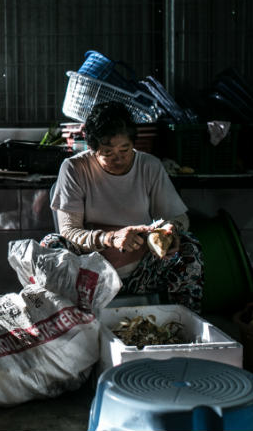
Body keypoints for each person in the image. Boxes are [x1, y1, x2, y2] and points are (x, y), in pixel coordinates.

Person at [50, 101, 205, 312]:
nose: (119, 158)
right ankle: (68, 328)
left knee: (189, 247)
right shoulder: (75, 169)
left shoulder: (149, 166)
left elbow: (180, 218)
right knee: (51, 245)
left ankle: (182, 322)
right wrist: (111, 238)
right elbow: (68, 230)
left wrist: (171, 229)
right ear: (93, 148)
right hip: (93, 274)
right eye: (108, 151)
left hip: (142, 272)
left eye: (125, 149)